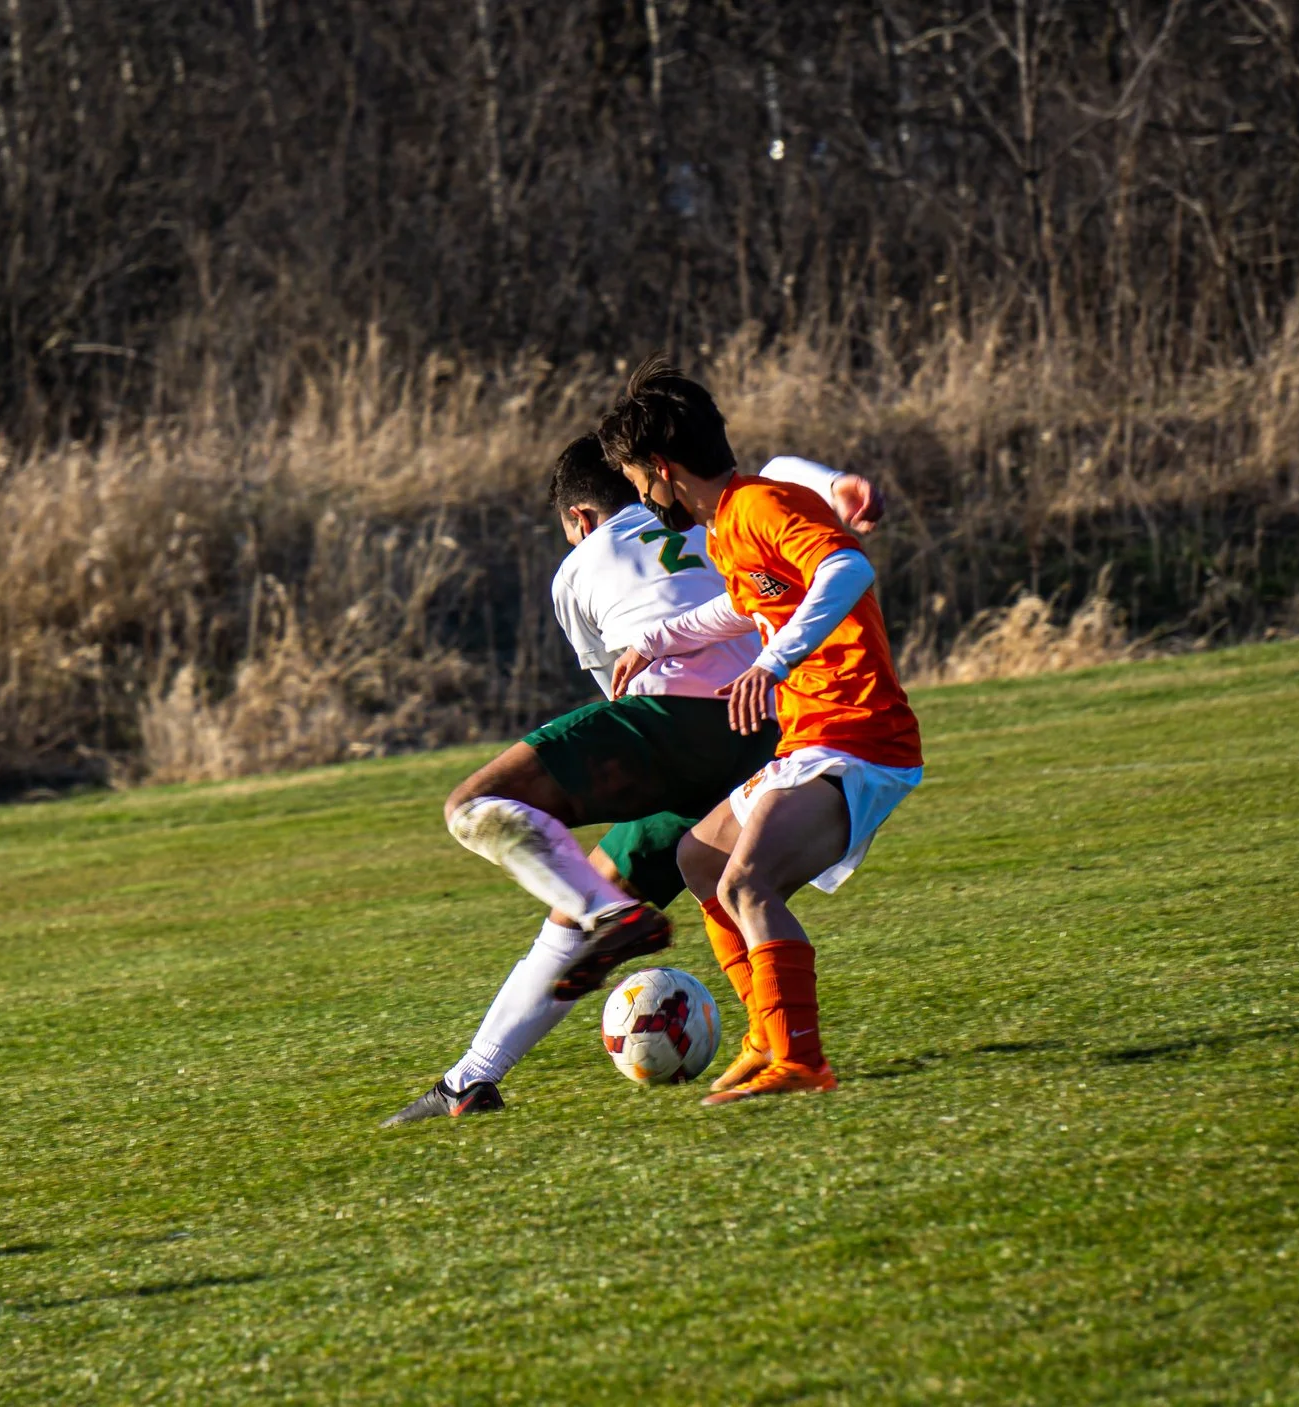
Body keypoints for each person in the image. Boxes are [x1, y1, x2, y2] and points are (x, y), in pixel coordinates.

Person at [380, 435, 783, 1126]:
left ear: (581, 520)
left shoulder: (579, 567)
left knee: (475, 803)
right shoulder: (711, 527)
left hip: (675, 722)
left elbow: (619, 692)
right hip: (768, 731)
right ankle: (470, 1080)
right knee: (580, 905)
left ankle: (610, 915)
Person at [600, 360, 925, 1106]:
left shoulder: (760, 508)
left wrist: (775, 664)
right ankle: (766, 1038)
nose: (645, 502)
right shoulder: (731, 525)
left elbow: (845, 570)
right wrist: (660, 640)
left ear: (661, 469)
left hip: (860, 736)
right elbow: (746, 607)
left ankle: (800, 1058)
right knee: (701, 859)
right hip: (816, 737)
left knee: (749, 883)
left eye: (639, 483)